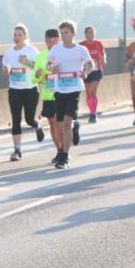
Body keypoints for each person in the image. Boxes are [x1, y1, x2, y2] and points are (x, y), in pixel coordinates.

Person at [47, 20, 93, 169]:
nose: (63, 36)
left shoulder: (81, 50)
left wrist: (86, 72)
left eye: (66, 33)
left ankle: (65, 156)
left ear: (73, 34)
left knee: (66, 122)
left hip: (74, 89)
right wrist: (52, 68)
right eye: (61, 33)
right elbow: (49, 63)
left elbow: (90, 64)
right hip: (60, 90)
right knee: (60, 125)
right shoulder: (56, 49)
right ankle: (74, 128)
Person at [2, 23, 44, 160]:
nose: (17, 37)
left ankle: (37, 125)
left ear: (25, 36)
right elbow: (6, 68)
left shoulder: (32, 50)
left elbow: (40, 69)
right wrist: (7, 70)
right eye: (15, 35)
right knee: (16, 120)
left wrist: (26, 62)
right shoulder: (8, 53)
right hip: (14, 89)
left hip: (30, 89)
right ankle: (17, 150)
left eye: (19, 35)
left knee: (29, 119)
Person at [31, 29, 62, 162]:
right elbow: (34, 79)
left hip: (62, 94)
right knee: (53, 124)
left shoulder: (64, 53)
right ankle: (60, 151)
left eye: (52, 39)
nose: (49, 42)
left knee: (62, 124)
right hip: (48, 96)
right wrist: (37, 75)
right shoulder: (41, 56)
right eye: (47, 39)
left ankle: (73, 128)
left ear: (58, 39)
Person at [79, 26, 105, 123]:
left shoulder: (98, 44)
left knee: (93, 92)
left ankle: (93, 114)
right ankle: (91, 111)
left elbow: (103, 54)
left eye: (92, 32)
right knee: (88, 93)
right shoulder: (81, 45)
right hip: (86, 71)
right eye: (88, 33)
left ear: (94, 34)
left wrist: (104, 59)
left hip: (96, 70)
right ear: (85, 34)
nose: (90, 35)